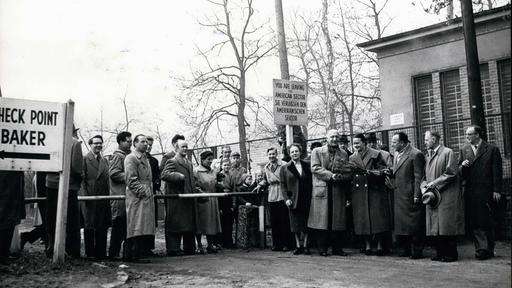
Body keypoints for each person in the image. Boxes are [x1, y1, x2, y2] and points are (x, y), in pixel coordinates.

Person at [459, 125, 502, 260]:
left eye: (469, 134)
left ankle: (489, 248)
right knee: (475, 221)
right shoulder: (464, 149)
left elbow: (497, 171)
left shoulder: (491, 149)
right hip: (471, 191)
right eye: (466, 134)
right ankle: (481, 249)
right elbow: (460, 172)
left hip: (487, 190)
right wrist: (463, 166)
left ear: (477, 135)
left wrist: (497, 190)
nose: (467, 137)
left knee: (487, 220)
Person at [423, 130, 464, 262]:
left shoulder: (447, 152)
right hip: (434, 196)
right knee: (436, 226)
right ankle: (440, 253)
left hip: (446, 195)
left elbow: (451, 173)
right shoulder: (428, 155)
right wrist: (424, 186)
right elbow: (425, 176)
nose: (425, 142)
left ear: (434, 139)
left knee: (446, 225)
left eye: (426, 139)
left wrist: (434, 184)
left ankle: (451, 254)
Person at [308, 130, 351, 256]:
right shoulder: (317, 151)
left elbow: (347, 169)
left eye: (336, 137)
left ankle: (337, 248)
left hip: (338, 188)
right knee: (322, 219)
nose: (334, 139)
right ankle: (323, 249)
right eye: (332, 136)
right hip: (322, 187)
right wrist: (331, 175)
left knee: (337, 219)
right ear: (326, 138)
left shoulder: (343, 153)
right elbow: (315, 168)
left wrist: (342, 175)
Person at [349, 133, 391, 256]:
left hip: (375, 190)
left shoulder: (375, 154)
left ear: (364, 142)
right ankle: (367, 245)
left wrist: (372, 173)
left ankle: (379, 246)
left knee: (376, 220)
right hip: (359, 191)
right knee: (363, 220)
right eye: (354, 143)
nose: (355, 145)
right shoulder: (352, 158)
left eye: (358, 143)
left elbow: (383, 170)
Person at [45, 125, 83, 258]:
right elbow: (77, 168)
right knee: (72, 220)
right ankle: (72, 250)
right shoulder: (75, 143)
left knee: (51, 217)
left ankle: (51, 247)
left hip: (51, 184)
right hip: (69, 186)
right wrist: (79, 179)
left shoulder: (50, 140)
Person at [390, 132, 425, 259]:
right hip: (399, 194)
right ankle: (405, 249)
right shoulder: (396, 154)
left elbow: (418, 177)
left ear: (403, 142)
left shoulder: (415, 154)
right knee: (402, 224)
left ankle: (417, 250)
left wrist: (417, 195)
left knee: (414, 224)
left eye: (394, 142)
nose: (392, 144)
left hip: (410, 195)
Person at [161, 137, 197, 256]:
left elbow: (191, 182)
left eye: (187, 146)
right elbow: (164, 175)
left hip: (188, 199)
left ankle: (189, 248)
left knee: (189, 224)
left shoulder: (189, 163)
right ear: (176, 148)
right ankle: (173, 249)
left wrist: (197, 192)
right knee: (175, 224)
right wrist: (177, 176)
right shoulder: (172, 161)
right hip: (176, 199)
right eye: (183, 147)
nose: (186, 149)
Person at [124, 134, 155, 263]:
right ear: (135, 144)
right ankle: (130, 254)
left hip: (146, 196)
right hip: (137, 197)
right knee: (135, 225)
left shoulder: (145, 158)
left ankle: (138, 253)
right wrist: (144, 192)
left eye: (146, 142)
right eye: (142, 142)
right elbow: (131, 180)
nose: (146, 144)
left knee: (142, 226)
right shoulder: (131, 158)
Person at [81, 135, 111, 259]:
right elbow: (82, 180)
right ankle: (90, 253)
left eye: (100, 143)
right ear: (90, 144)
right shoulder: (84, 159)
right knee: (89, 226)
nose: (98, 145)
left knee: (102, 225)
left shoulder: (104, 160)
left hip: (103, 197)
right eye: (96, 143)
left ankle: (101, 253)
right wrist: (85, 197)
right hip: (90, 197)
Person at [280, 143, 312, 255]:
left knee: (306, 223)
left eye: (296, 151)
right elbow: (283, 185)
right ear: (289, 154)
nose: (294, 153)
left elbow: (310, 181)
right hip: (293, 199)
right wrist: (286, 199)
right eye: (292, 152)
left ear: (300, 152)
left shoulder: (307, 165)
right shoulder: (285, 168)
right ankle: (298, 246)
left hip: (306, 198)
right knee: (295, 224)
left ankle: (306, 245)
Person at [261, 147, 292, 252]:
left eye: (273, 154)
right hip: (272, 195)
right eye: (269, 154)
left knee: (284, 220)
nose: (271, 156)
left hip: (282, 193)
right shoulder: (266, 167)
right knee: (275, 221)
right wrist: (260, 185)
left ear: (277, 154)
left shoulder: (283, 164)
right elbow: (265, 180)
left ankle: (286, 244)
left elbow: (288, 179)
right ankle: (276, 244)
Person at [108, 131, 132, 259]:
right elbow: (114, 174)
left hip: (128, 196)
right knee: (118, 225)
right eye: (128, 141)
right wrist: (131, 177)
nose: (130, 144)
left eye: (131, 141)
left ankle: (127, 253)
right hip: (119, 196)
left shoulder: (128, 155)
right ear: (121, 142)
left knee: (127, 226)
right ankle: (114, 253)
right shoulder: (118, 156)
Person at [194, 150, 222, 254]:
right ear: (202, 160)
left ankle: (210, 245)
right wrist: (201, 193)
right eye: (208, 159)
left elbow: (216, 183)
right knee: (201, 222)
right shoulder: (196, 171)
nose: (210, 161)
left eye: (211, 159)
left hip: (213, 199)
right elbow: (195, 186)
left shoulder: (214, 171)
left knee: (212, 222)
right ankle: (199, 245)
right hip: (202, 199)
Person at [0, 171, 25, 264]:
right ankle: (3, 253)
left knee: (10, 215)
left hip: (13, 175)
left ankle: (4, 252)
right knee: (7, 214)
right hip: (8, 177)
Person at [20, 171, 48, 249]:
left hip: (46, 183)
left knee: (49, 221)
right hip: (46, 185)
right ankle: (28, 236)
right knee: (49, 221)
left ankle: (28, 236)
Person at [143, 136, 160, 257]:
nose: (148, 147)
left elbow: (157, 176)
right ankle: (141, 248)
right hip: (142, 194)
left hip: (152, 194)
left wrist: (157, 185)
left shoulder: (154, 161)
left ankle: (149, 248)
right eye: (147, 144)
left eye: (150, 145)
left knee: (152, 221)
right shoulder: (137, 159)